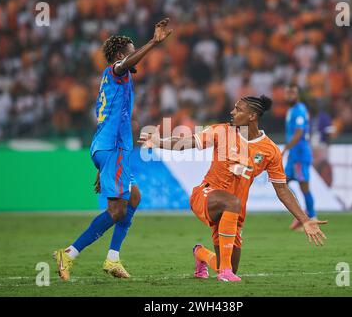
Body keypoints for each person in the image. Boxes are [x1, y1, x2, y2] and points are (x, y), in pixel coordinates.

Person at [139, 95, 327, 282]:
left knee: (229, 264)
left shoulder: (270, 150)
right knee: (232, 205)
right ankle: (225, 273)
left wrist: (304, 219)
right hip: (206, 195)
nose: (232, 112)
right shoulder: (221, 131)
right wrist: (158, 142)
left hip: (234, 212)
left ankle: (201, 254)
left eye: (238, 109)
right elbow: (185, 143)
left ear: (252, 116)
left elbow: (282, 189)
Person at [53, 19, 173, 281]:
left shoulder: (116, 80)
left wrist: (102, 168)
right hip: (113, 147)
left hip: (107, 148)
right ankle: (69, 253)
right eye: (132, 51)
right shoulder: (117, 71)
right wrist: (153, 42)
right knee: (117, 211)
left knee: (134, 197)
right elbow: (124, 66)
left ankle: (113, 259)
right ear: (120, 56)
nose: (135, 57)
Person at [282, 84, 317, 231]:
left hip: (301, 154)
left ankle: (312, 217)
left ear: (298, 95)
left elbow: (298, 133)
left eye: (292, 93)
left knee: (304, 187)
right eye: (287, 93)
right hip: (294, 155)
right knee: (282, 182)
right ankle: (301, 213)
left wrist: (286, 148)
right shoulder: (291, 110)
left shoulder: (300, 110)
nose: (289, 95)